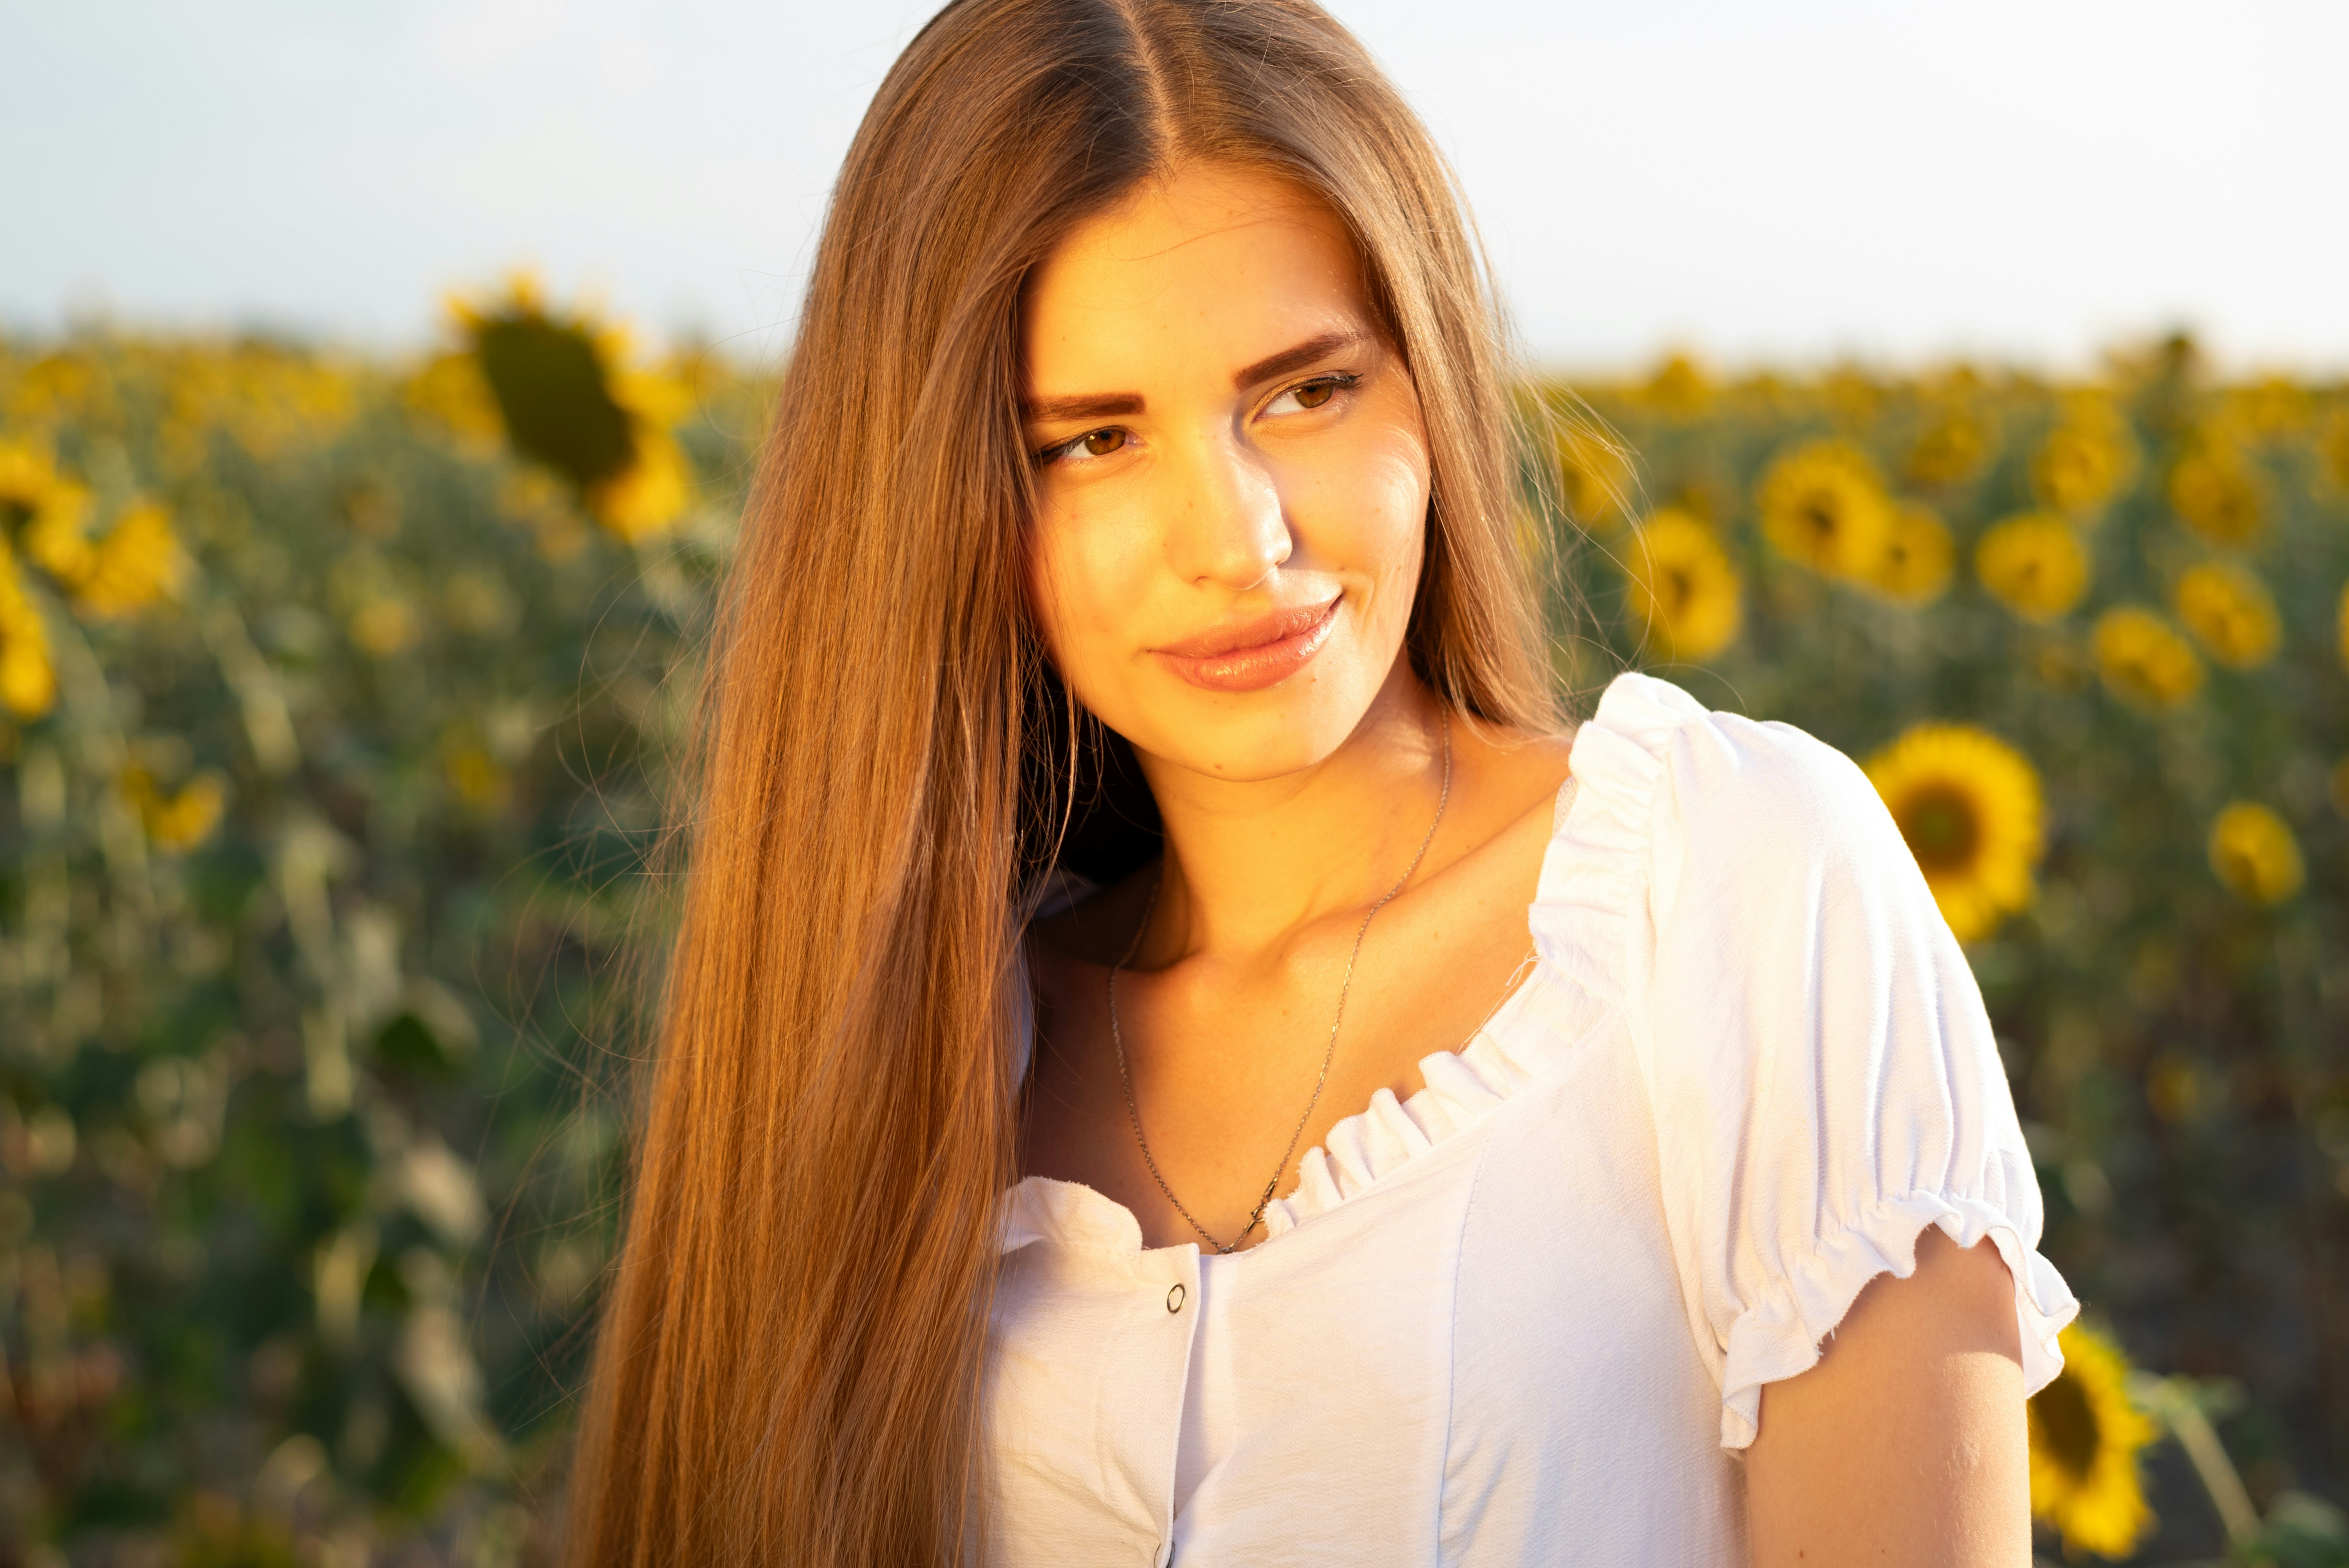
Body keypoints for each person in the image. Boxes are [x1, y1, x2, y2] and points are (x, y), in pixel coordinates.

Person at [563, 0, 2080, 1562]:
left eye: (1302, 393)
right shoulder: (903, 1040)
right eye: (1089, 440)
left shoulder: (1728, 884)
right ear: (945, 505)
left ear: (1427, 389)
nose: (1240, 540)